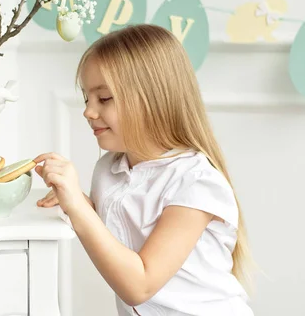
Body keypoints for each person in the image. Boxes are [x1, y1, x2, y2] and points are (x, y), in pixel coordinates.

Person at [34, 24, 254, 316]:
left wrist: (79, 207)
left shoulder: (195, 183)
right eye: (87, 98)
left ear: (154, 99)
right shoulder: (108, 170)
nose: (88, 111)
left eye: (105, 98)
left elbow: (139, 285)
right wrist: (77, 203)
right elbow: (119, 233)